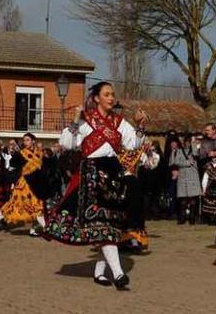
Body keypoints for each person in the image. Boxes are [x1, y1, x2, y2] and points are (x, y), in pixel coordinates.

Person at [43, 82, 147, 289]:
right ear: (97, 98)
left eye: (113, 94)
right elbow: (67, 143)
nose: (111, 98)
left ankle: (99, 272)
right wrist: (74, 119)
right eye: (107, 94)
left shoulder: (119, 122)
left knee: (109, 225)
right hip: (91, 172)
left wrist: (140, 126)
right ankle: (118, 274)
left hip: (113, 173)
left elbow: (133, 144)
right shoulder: (86, 120)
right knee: (102, 222)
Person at [0, 133, 48, 234]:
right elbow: (12, 165)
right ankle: (1, 214)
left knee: (36, 204)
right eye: (24, 140)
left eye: (27, 140)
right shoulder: (21, 153)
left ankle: (35, 227)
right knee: (18, 204)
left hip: (36, 182)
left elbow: (43, 168)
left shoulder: (40, 154)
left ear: (33, 141)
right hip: (25, 183)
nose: (25, 142)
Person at [118, 138, 159, 251]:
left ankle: (134, 241)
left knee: (135, 213)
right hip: (119, 184)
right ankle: (121, 240)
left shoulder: (139, 152)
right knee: (121, 213)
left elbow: (152, 164)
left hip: (135, 186)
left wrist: (149, 152)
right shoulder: (117, 151)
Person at [170, 134, 202, 225]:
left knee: (193, 198)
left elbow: (196, 154)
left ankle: (192, 218)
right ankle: (182, 217)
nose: (187, 144)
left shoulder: (194, 150)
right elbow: (176, 162)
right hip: (183, 176)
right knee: (183, 198)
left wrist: (193, 143)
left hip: (193, 176)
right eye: (186, 142)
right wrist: (187, 162)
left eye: (189, 142)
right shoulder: (179, 151)